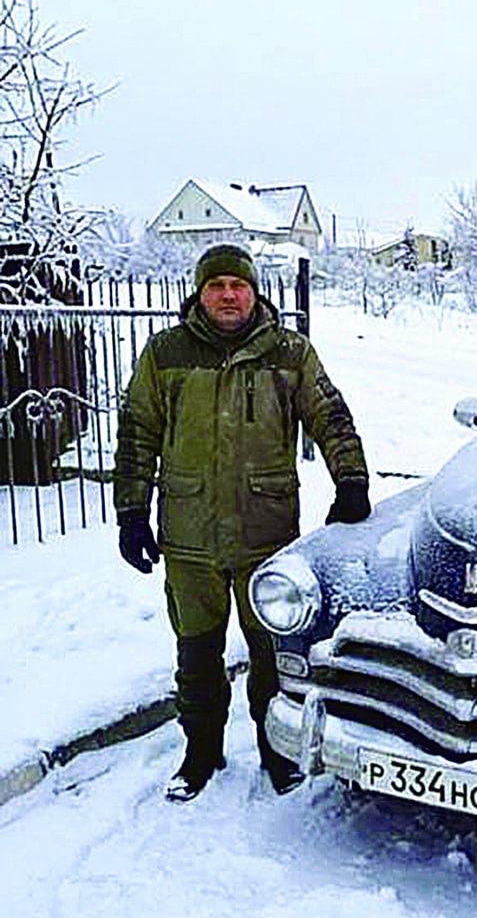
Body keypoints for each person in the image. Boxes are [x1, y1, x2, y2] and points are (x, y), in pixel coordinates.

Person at [113, 243, 370, 802]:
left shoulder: (288, 351)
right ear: (200, 294)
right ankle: (201, 751)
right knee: (197, 653)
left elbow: (331, 416)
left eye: (238, 286)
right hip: (189, 536)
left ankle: (276, 749)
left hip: (266, 535)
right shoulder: (166, 353)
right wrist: (131, 512)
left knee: (272, 655)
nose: (228, 296)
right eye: (216, 286)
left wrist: (351, 481)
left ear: (255, 292)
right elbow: (138, 432)